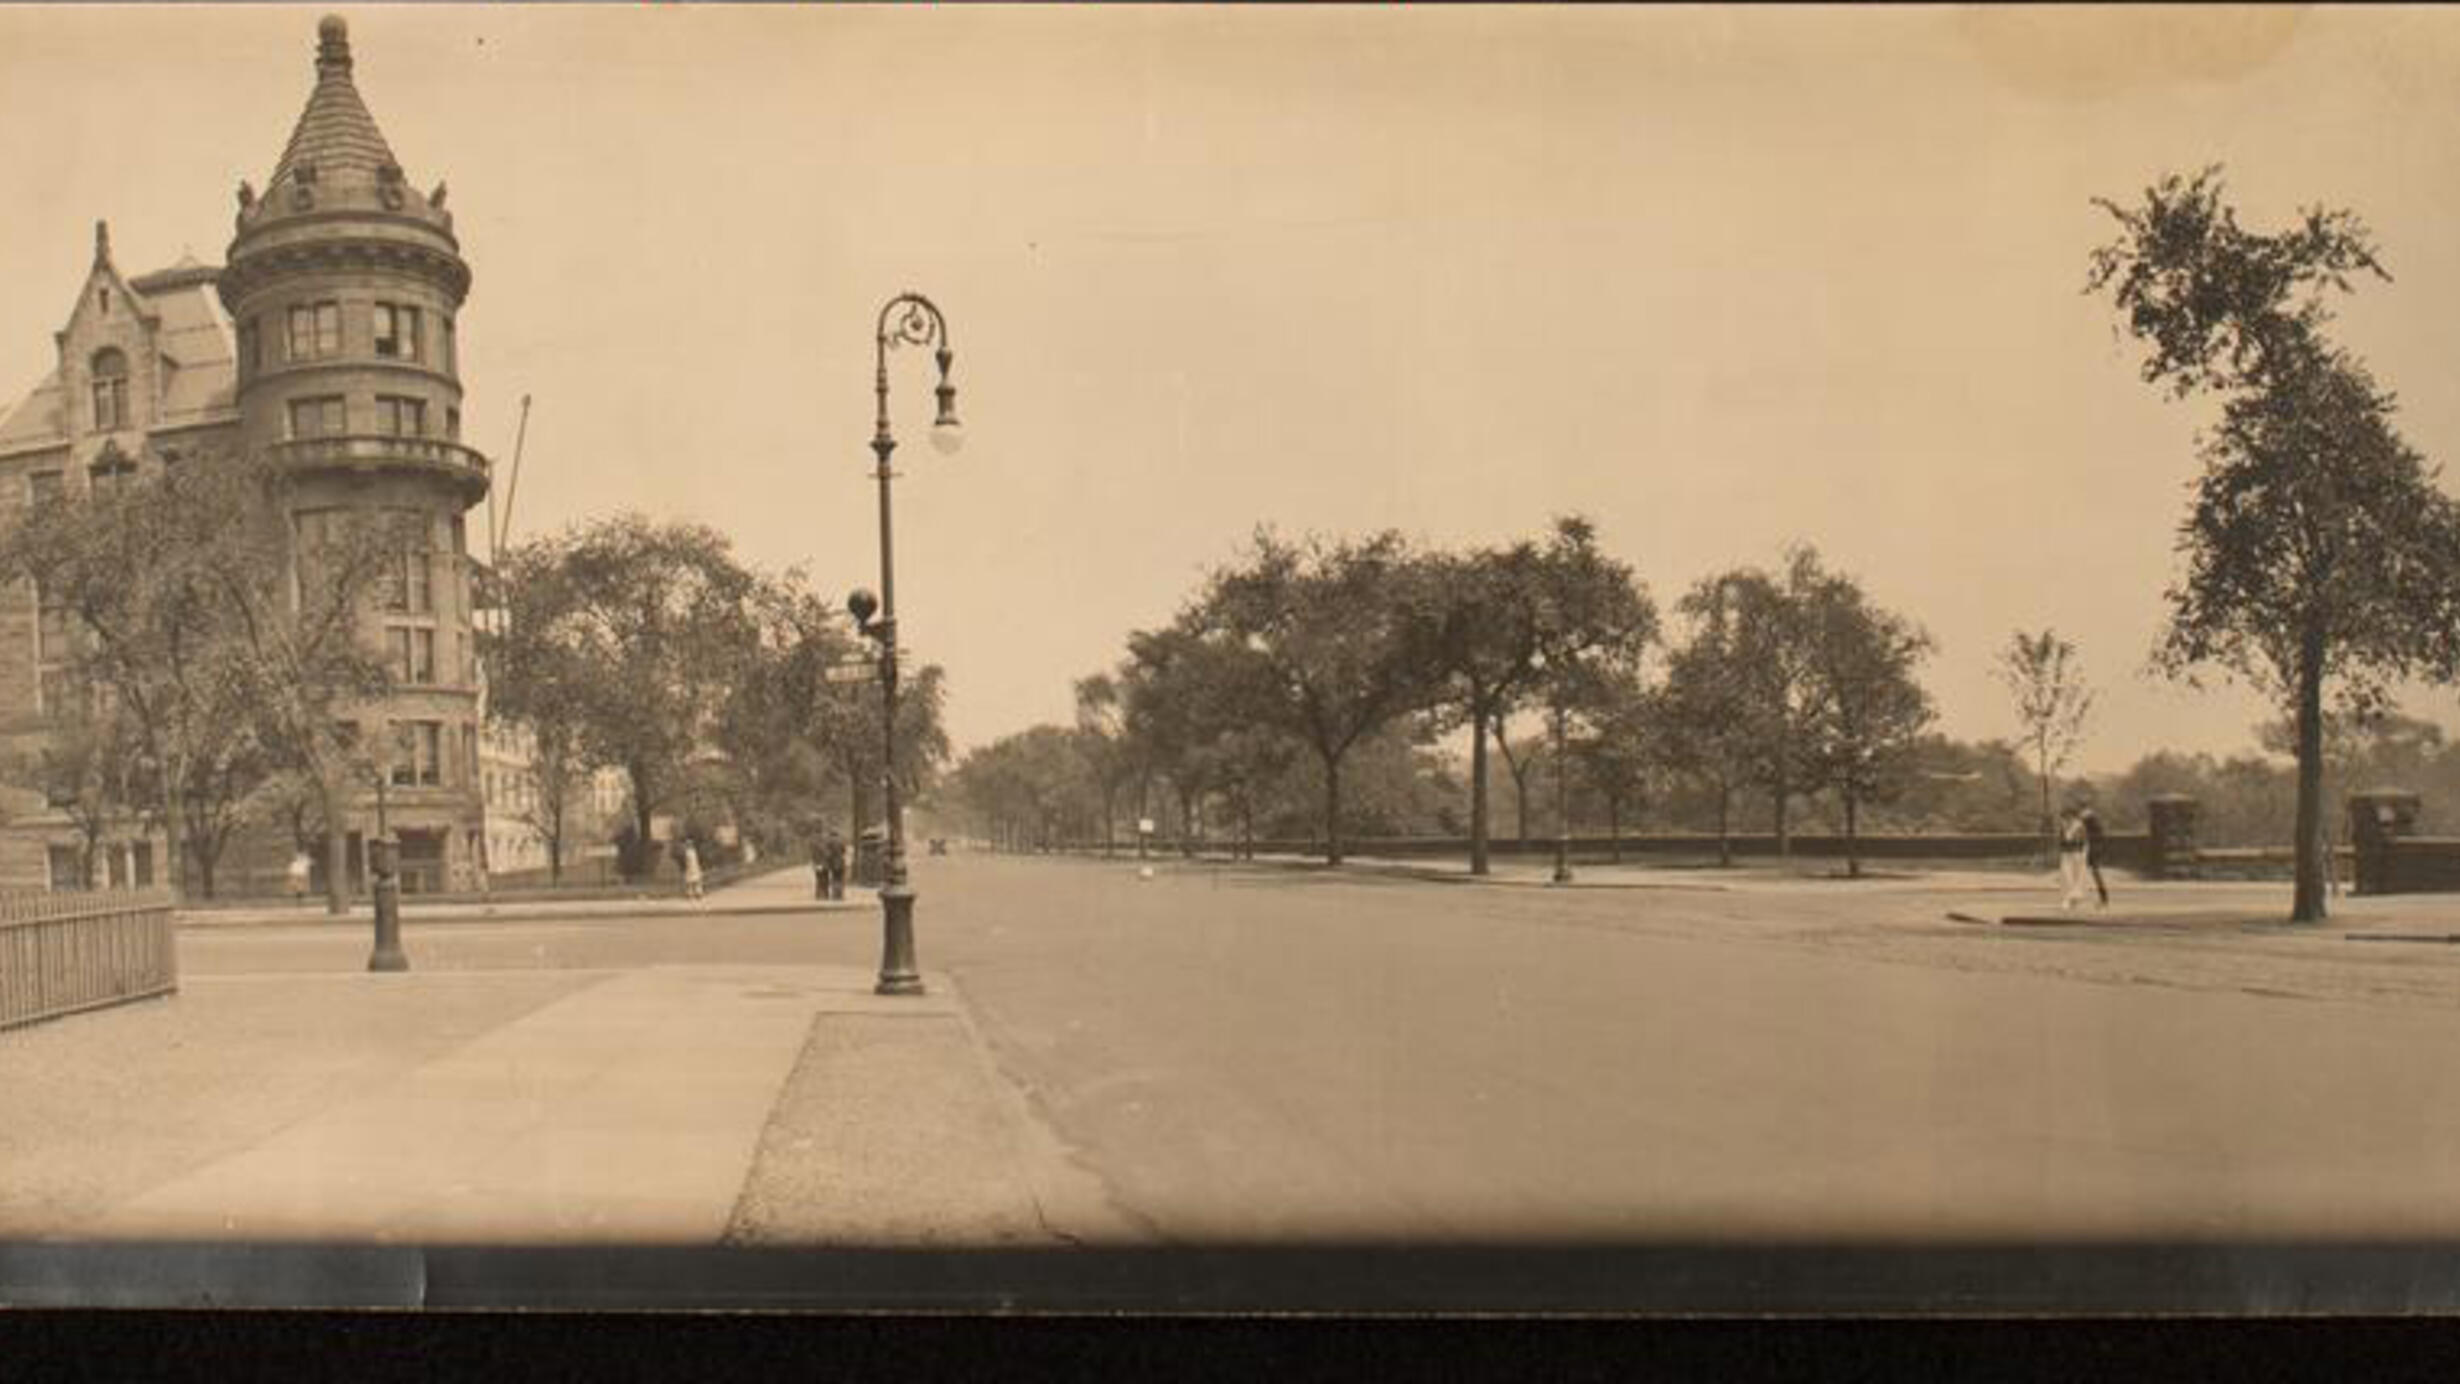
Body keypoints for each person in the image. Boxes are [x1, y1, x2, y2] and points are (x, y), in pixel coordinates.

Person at [2057, 807, 2090, 910]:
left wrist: (2084, 854)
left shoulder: (2079, 827)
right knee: (2067, 877)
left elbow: (2084, 841)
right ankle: (2067, 898)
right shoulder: (2064, 826)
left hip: (2077, 854)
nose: (2065, 819)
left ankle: (2074, 899)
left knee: (2078, 877)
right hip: (2067, 854)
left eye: (2067, 817)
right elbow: (2061, 841)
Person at [2079, 806, 2111, 908]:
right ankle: (2103, 897)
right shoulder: (2095, 830)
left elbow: (2090, 842)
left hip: (2092, 852)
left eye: (2084, 821)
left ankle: (2103, 897)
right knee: (2094, 874)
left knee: (2094, 874)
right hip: (2092, 852)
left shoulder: (2092, 832)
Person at [823, 830, 848, 901]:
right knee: (840, 878)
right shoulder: (841, 840)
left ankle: (834, 894)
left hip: (832, 863)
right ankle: (840, 895)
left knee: (834, 878)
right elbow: (844, 850)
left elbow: (827, 853)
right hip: (840, 862)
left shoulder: (828, 841)